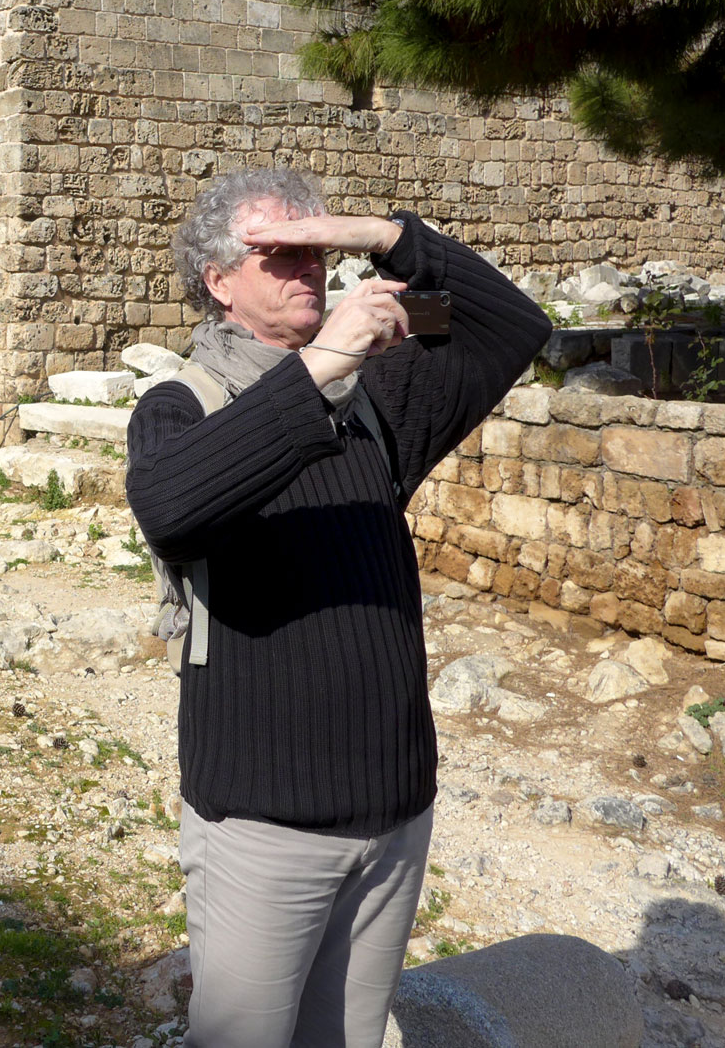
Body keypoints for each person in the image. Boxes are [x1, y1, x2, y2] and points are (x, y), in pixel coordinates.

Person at [125, 167, 550, 1048]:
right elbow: (172, 507)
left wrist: (377, 234)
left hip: (392, 816)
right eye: (279, 252)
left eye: (316, 249)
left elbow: (509, 324)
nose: (307, 268)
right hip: (263, 830)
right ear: (219, 282)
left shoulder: (379, 398)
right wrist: (324, 362)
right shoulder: (184, 405)